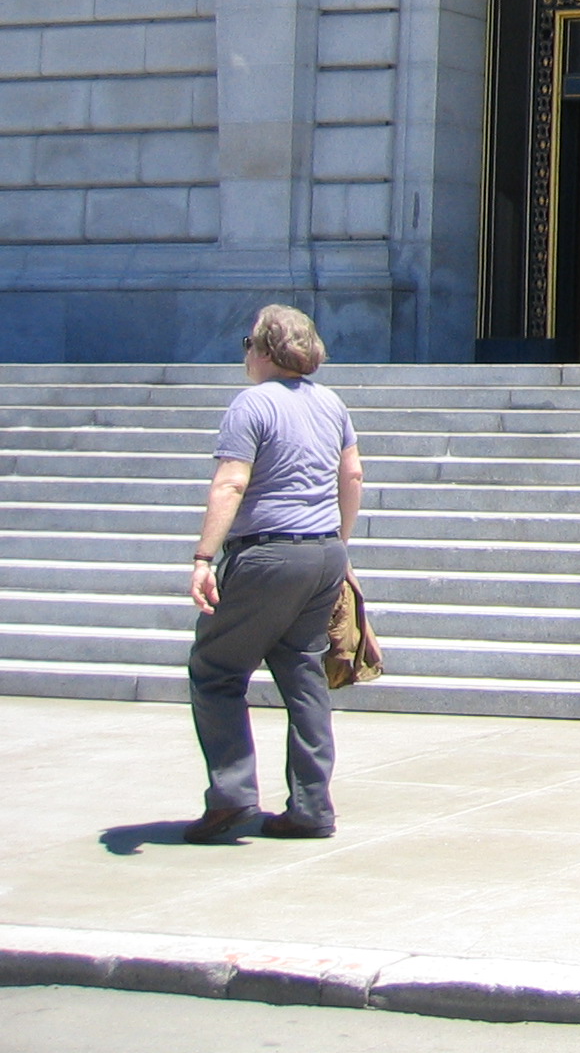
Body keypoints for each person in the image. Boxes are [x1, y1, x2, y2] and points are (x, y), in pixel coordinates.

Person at [182, 305, 362, 843]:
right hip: (323, 551)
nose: (246, 355)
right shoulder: (330, 403)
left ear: (264, 349)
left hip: (266, 555)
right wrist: (340, 543)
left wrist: (203, 557)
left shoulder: (252, 404)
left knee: (215, 670)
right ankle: (312, 807)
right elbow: (352, 474)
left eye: (248, 344)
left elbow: (231, 482)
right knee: (304, 674)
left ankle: (232, 797)